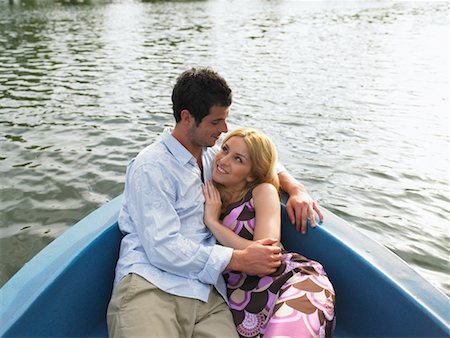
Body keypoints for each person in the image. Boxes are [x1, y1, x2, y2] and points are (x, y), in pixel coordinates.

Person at [107, 67, 324, 337]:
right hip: (151, 285)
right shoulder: (151, 167)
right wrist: (238, 260)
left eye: (225, 119)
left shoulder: (213, 158)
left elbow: (261, 161)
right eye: (215, 122)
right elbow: (162, 247)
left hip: (207, 294)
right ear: (187, 118)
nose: (224, 129)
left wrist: (295, 188)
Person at [202, 128, 336, 338]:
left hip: (289, 280)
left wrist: (213, 222)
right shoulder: (211, 191)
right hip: (239, 298)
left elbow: (267, 253)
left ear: (252, 174)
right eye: (225, 149)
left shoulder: (261, 190)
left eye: (237, 159)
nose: (223, 160)